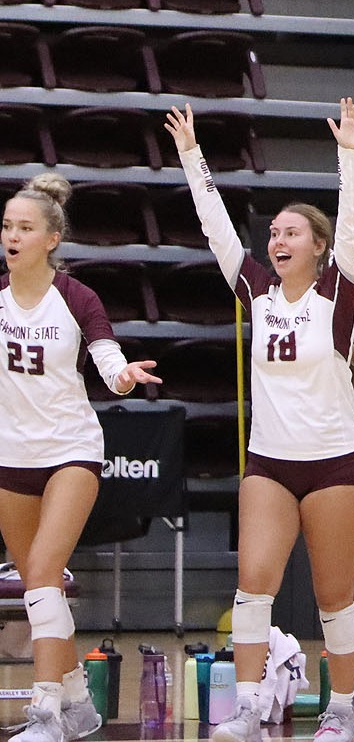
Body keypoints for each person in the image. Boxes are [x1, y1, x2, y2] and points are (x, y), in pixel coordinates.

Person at [169, 102, 354, 742]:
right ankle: (249, 706)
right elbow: (217, 232)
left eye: (291, 233)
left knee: (334, 596)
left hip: (335, 464)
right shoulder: (256, 291)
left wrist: (350, 154)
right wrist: (193, 157)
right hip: (270, 464)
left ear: (318, 247)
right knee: (252, 585)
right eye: (274, 233)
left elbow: (352, 225)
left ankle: (342, 709)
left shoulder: (337, 294)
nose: (277, 242)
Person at [0, 173, 160, 742]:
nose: (11, 236)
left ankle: (45, 712)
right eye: (6, 226)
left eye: (25, 227)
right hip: (12, 456)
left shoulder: (76, 298)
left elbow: (108, 359)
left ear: (51, 239)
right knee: (38, 590)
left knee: (45, 573)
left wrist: (123, 376)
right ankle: (79, 704)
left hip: (71, 450)